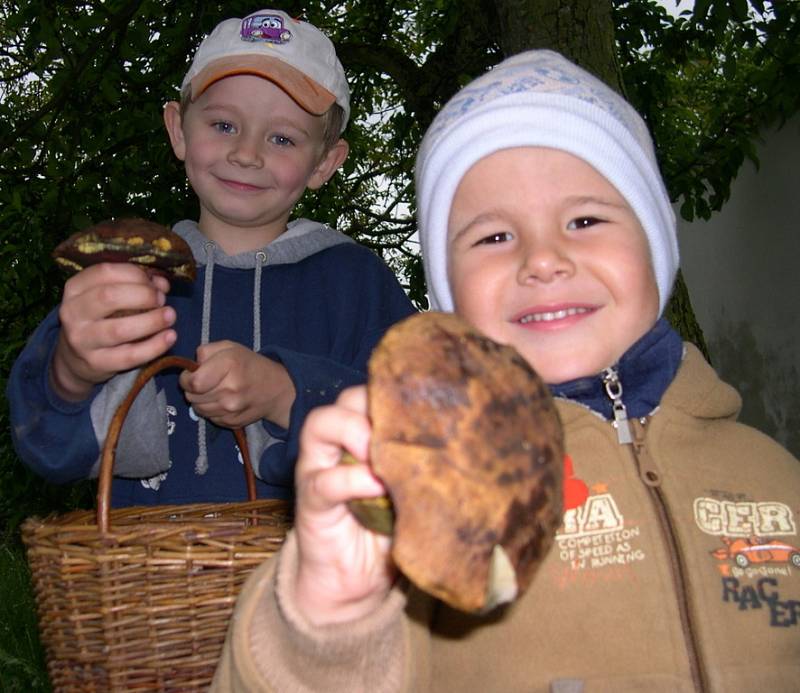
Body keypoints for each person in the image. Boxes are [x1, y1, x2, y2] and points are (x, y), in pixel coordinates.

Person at [211, 50, 800, 691]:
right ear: (449, 298)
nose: (543, 259)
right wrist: (325, 613)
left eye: (585, 219)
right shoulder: (425, 493)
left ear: (655, 246)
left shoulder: (775, 474)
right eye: (493, 237)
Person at [6, 9, 415, 506]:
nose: (247, 153)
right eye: (223, 124)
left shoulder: (357, 283)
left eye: (282, 138)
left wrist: (289, 394)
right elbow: (43, 445)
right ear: (178, 130)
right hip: (142, 578)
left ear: (324, 162)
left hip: (313, 574)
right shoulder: (130, 275)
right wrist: (73, 369)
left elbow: (421, 437)